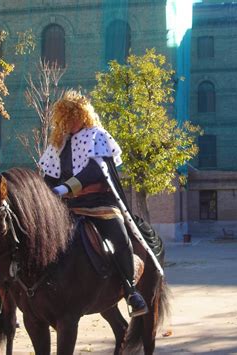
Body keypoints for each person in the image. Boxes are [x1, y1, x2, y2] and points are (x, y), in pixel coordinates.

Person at [39, 90, 158, 317]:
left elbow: (96, 170)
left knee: (121, 240)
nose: (70, 122)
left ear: (82, 115)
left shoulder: (96, 135)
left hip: (99, 203)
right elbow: (49, 175)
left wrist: (66, 187)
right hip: (67, 207)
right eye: (65, 117)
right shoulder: (58, 144)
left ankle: (131, 292)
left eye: (73, 116)